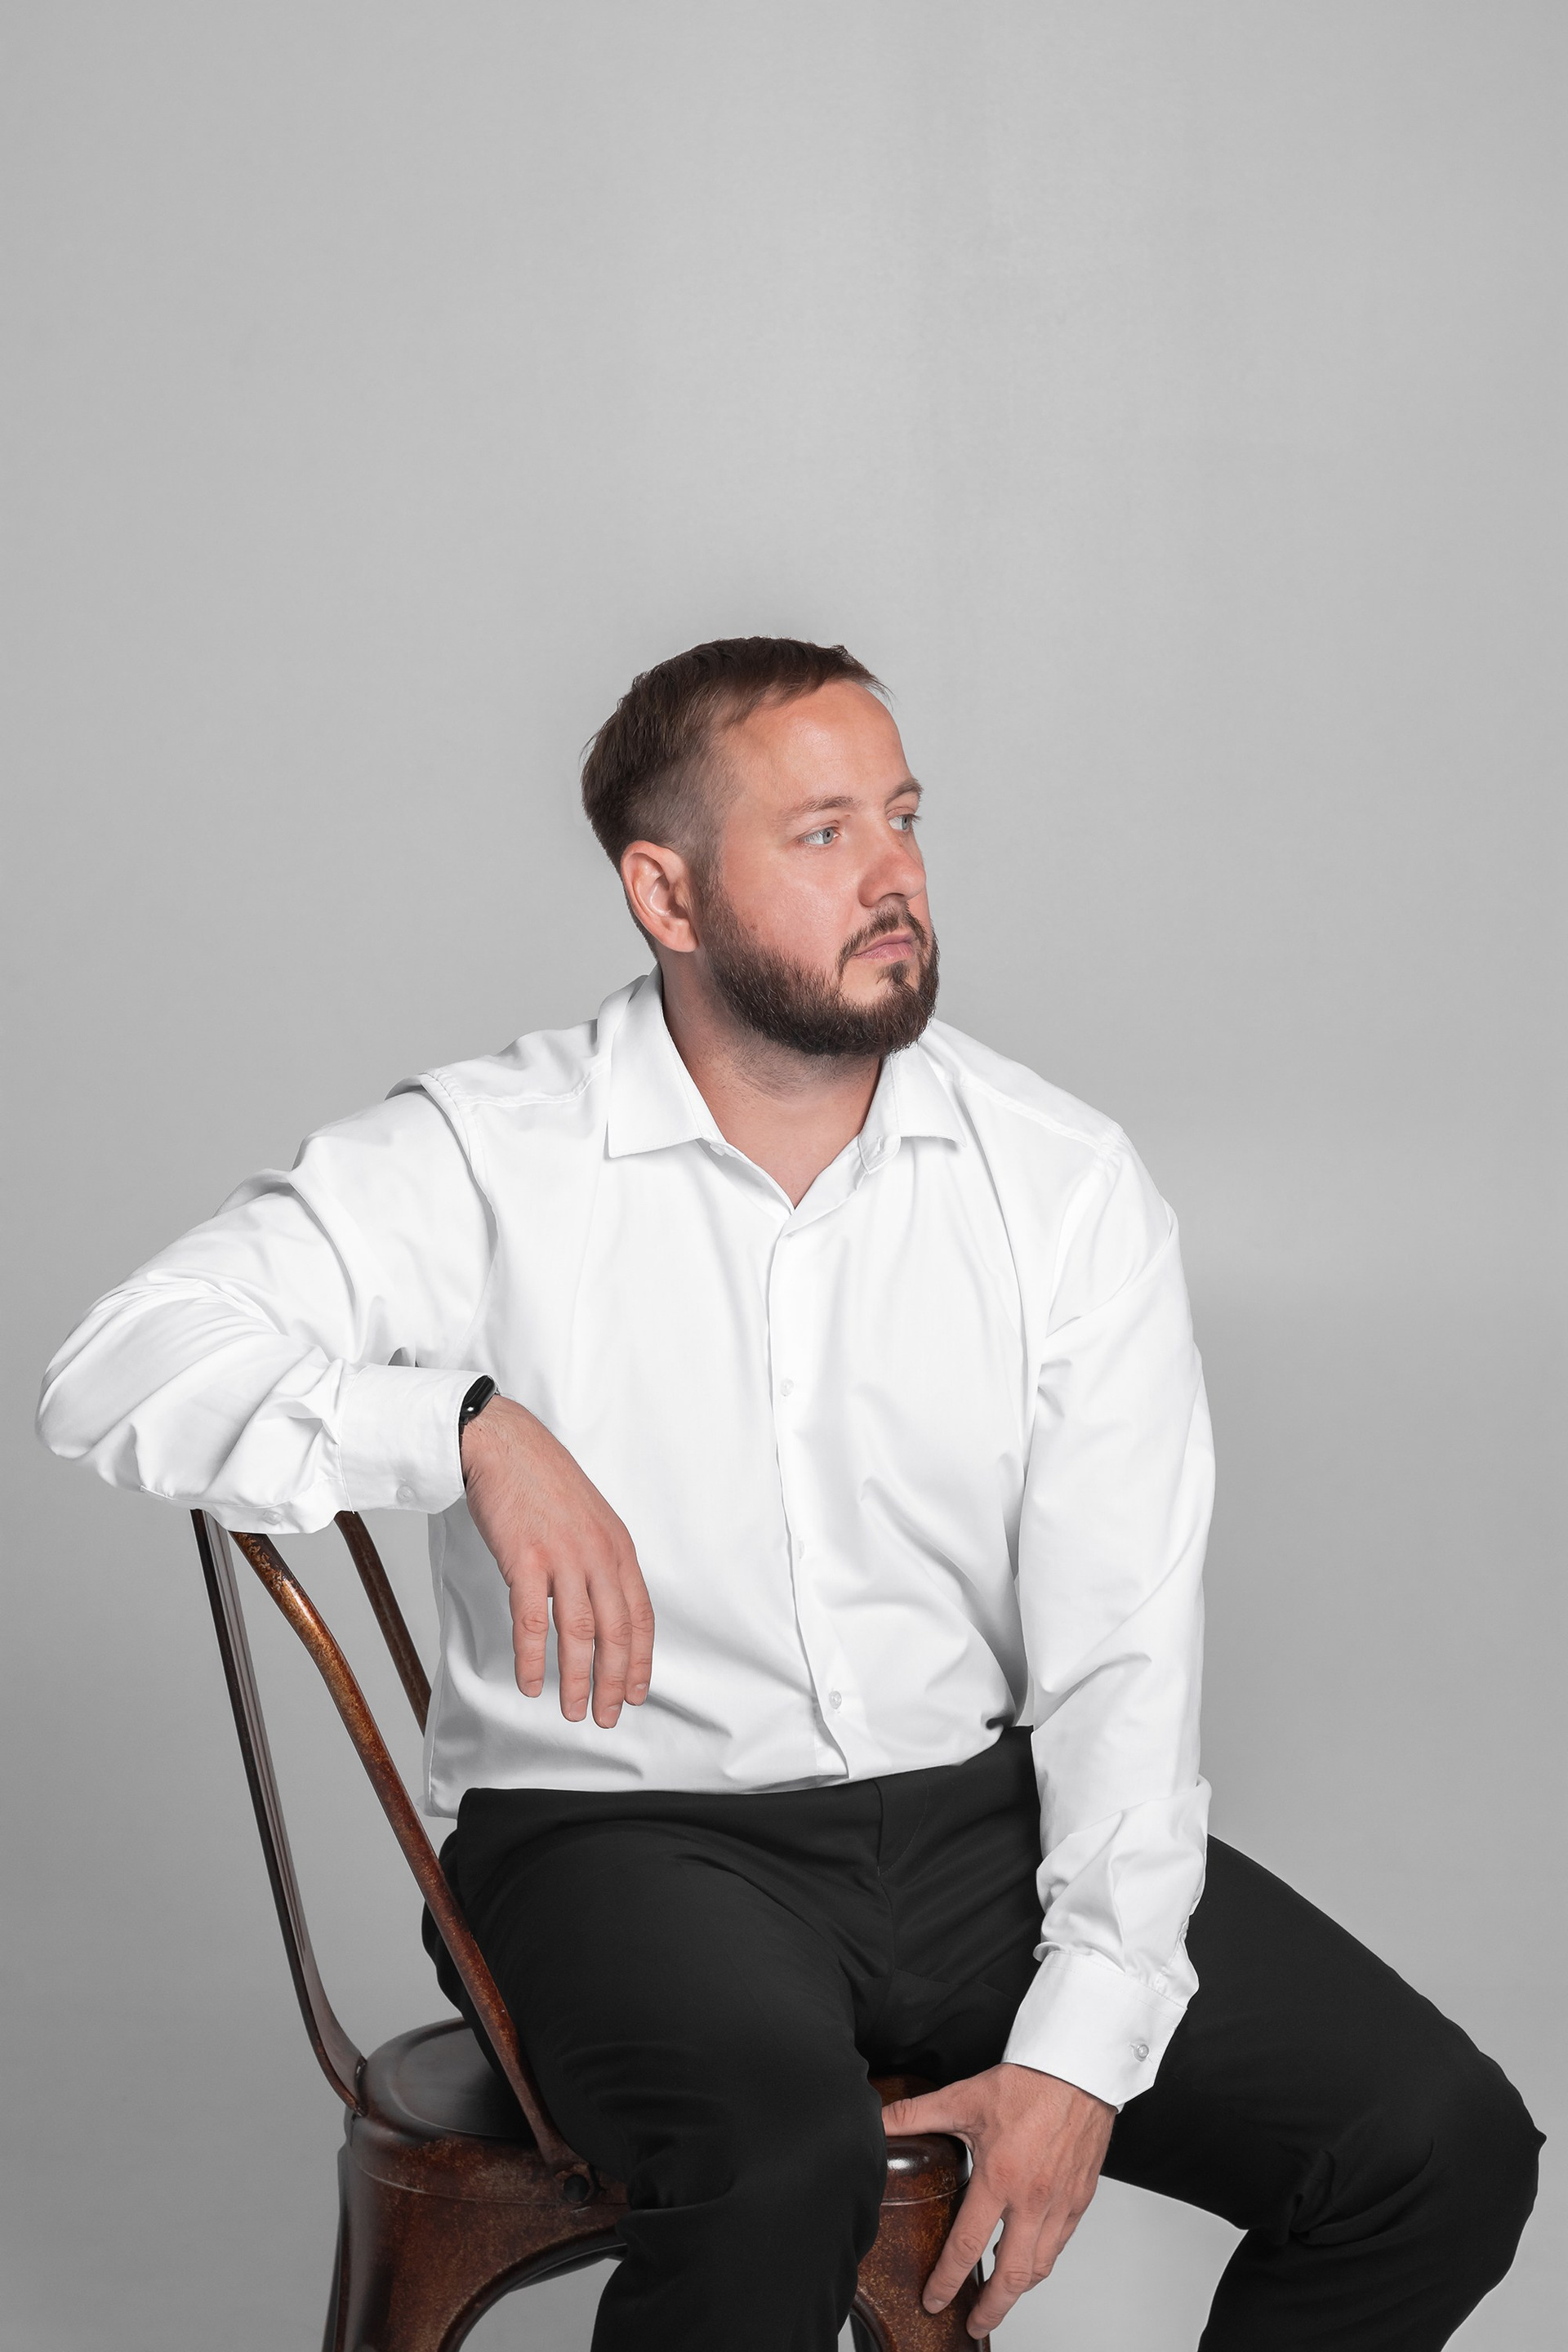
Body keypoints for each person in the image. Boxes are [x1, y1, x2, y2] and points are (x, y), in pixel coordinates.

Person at [38, 638, 1539, 2350]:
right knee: (778, 2168)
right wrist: (461, 1426)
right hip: (620, 1843)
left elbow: (1123, 1653)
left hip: (976, 1831)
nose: (894, 874)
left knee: (1434, 2146)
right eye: (823, 833)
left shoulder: (1058, 1182)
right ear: (665, 894)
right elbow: (116, 1366)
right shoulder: (487, 1153)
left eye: (903, 817)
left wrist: (1080, 2042)